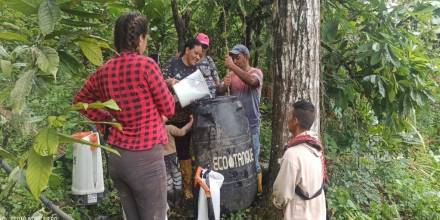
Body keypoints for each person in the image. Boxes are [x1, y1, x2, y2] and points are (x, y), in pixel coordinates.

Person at [73, 12, 175, 220]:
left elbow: (80, 101)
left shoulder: (103, 71)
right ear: (140, 39)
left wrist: (107, 123)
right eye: (145, 38)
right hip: (146, 160)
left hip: (118, 159)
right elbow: (169, 108)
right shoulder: (147, 65)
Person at [162, 38, 203, 200]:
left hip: (187, 118)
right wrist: (169, 82)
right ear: (187, 50)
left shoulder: (196, 72)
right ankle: (168, 189)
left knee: (185, 153)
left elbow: (198, 96)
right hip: (169, 118)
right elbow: (159, 83)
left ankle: (186, 188)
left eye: (200, 55)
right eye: (195, 53)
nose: (198, 57)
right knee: (169, 153)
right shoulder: (172, 64)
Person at [272, 100, 326, 220]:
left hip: (299, 214)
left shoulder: (292, 154)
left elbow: (281, 194)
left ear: (295, 121)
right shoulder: (316, 146)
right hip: (318, 213)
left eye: (290, 116)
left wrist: (278, 203)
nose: (287, 120)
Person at [223, 44, 264, 193]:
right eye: (233, 58)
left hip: (252, 125)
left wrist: (232, 67)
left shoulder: (256, 72)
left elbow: (252, 82)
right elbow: (221, 91)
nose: (235, 60)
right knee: (237, 159)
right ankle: (242, 189)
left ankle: (257, 191)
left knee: (254, 159)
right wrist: (223, 86)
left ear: (246, 57)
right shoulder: (233, 75)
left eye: (237, 57)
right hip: (235, 127)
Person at [163, 115, 194, 207]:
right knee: (177, 178)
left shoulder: (152, 131)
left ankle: (170, 202)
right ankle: (178, 202)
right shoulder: (168, 128)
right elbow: (182, 132)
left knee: (168, 180)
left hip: (161, 159)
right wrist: (191, 122)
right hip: (172, 157)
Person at [195, 33, 221, 97]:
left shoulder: (209, 59)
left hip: (212, 96)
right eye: (201, 45)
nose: (203, 48)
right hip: (198, 97)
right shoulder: (192, 59)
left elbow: (216, 80)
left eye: (205, 46)